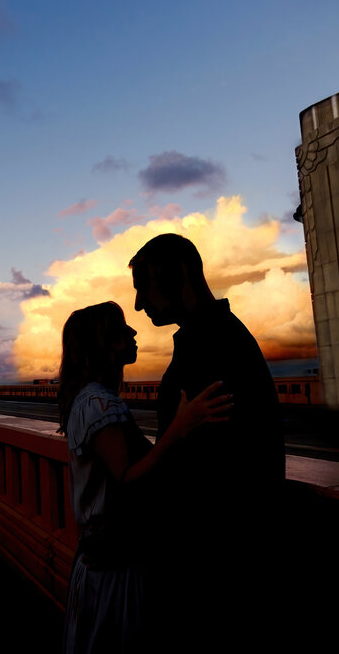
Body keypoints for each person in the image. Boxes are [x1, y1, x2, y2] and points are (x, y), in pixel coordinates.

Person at [128, 232, 285, 646]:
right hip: (215, 564)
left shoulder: (212, 346)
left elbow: (215, 468)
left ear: (178, 272)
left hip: (213, 571)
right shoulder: (215, 338)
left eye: (143, 286)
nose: (139, 304)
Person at [58, 301, 232, 654]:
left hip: (105, 563)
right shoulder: (98, 404)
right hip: (115, 572)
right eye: (120, 331)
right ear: (100, 345)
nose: (133, 333)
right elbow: (128, 479)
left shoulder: (90, 400)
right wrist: (180, 428)